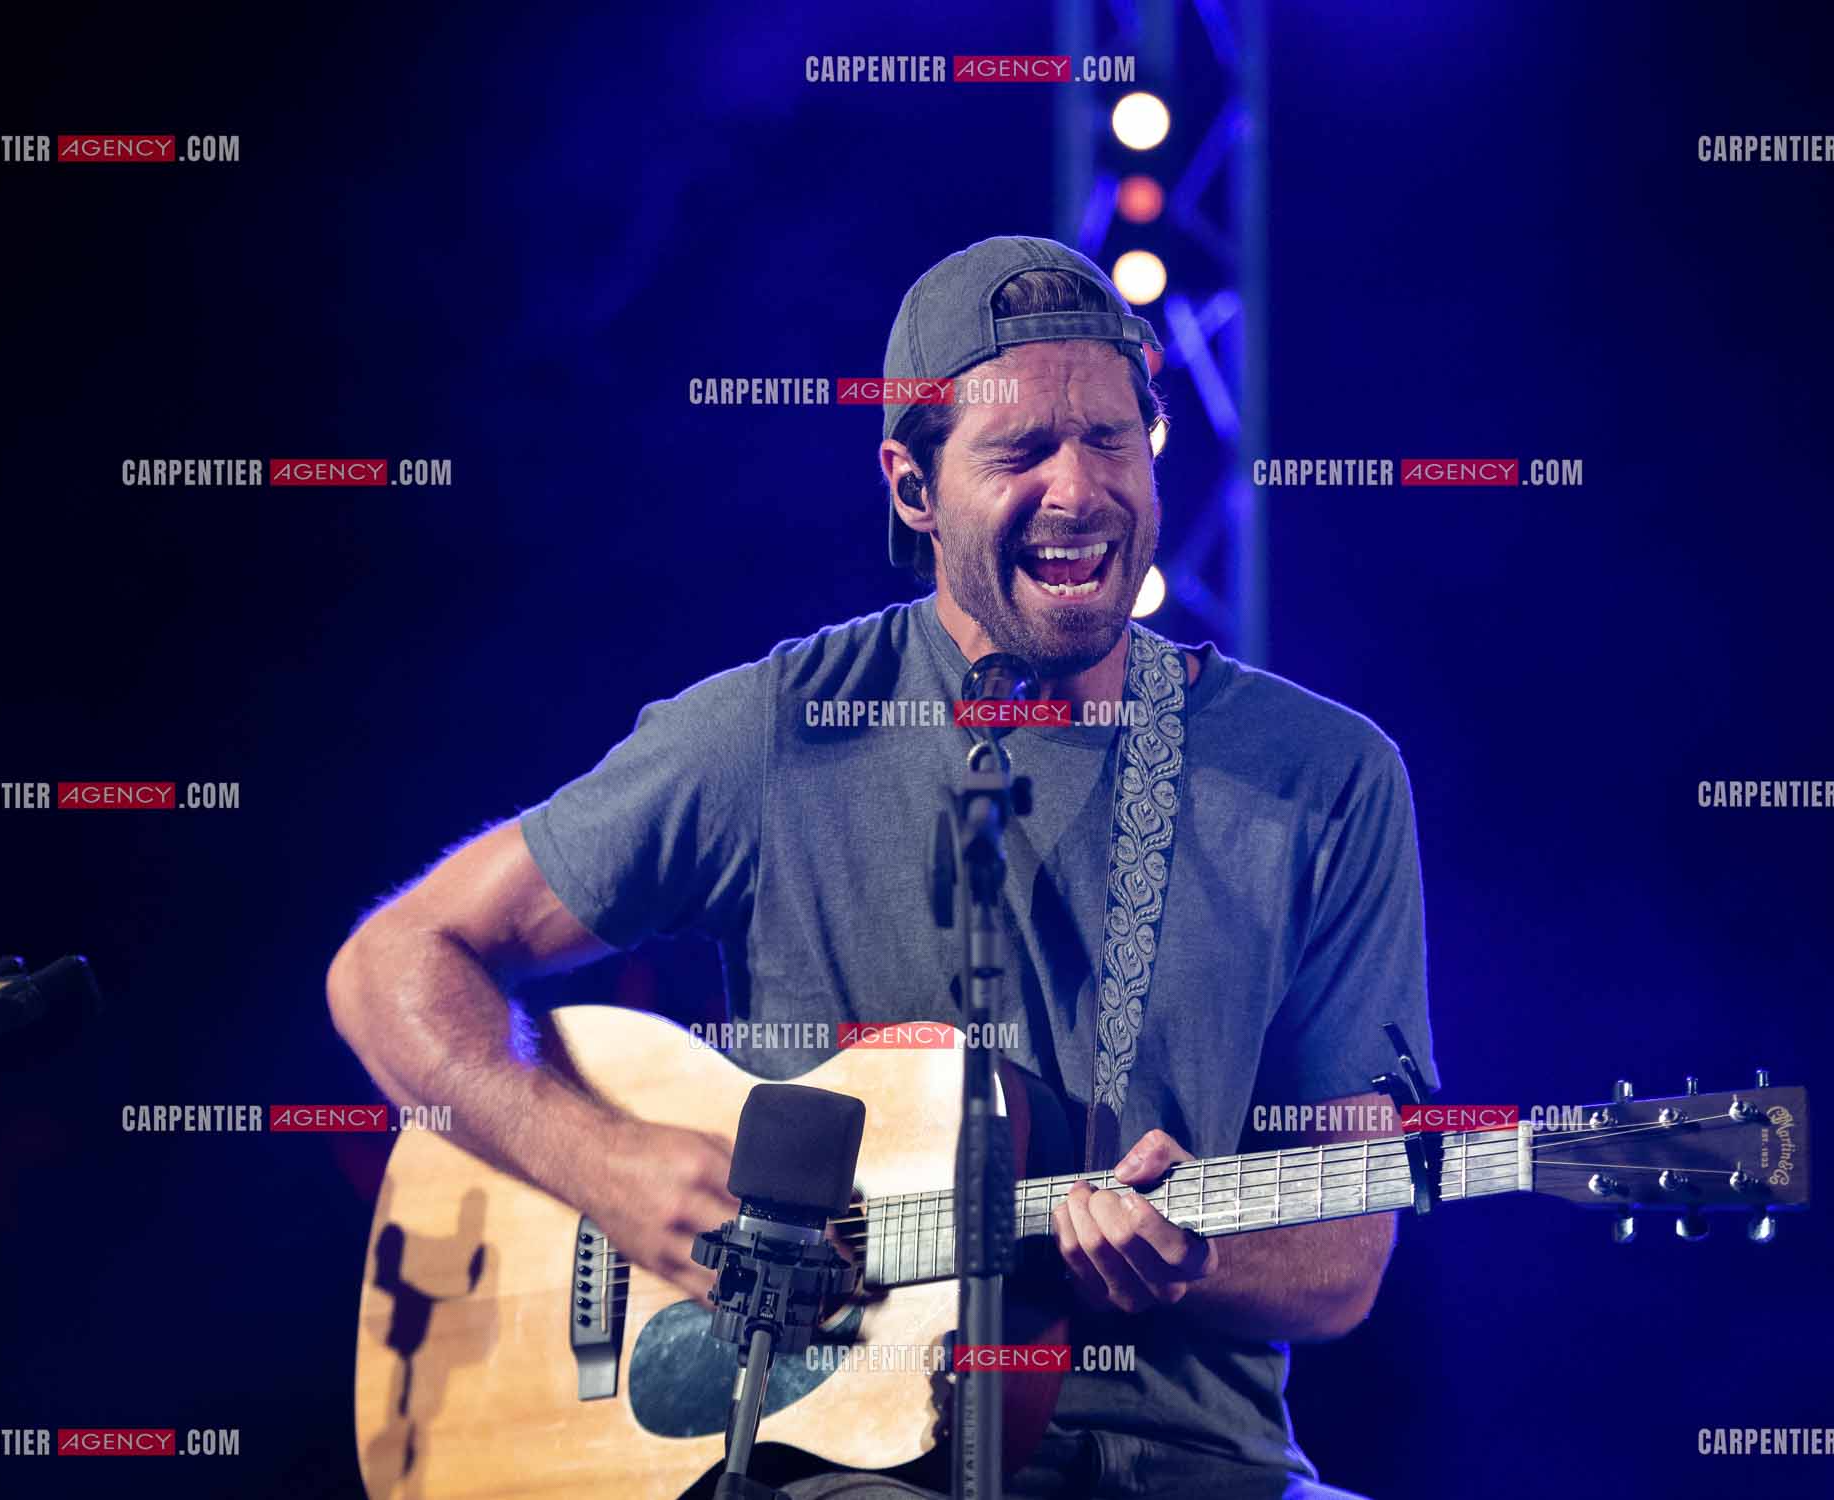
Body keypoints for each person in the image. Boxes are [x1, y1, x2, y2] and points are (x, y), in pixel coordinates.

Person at [328, 235, 1436, 1499]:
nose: (1078, 492)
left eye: (1112, 441)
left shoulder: (1325, 776)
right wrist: (601, 1165)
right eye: (1020, 453)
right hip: (830, 1459)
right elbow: (390, 964)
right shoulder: (775, 731)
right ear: (912, 486)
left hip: (1198, 1467)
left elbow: (1345, 1257)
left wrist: (1197, 1256)